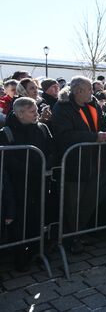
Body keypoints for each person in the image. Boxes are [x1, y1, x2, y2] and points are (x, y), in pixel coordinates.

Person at [50, 76, 106, 253]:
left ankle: (79, 234)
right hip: (74, 164)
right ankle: (70, 240)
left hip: (93, 162)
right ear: (78, 91)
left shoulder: (92, 104)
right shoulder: (62, 107)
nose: (92, 92)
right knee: (72, 205)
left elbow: (100, 124)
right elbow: (64, 136)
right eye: (89, 89)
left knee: (89, 201)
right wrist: (94, 137)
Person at [0, 97, 54, 271]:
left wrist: (46, 166)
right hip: (18, 185)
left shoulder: (42, 128)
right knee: (19, 221)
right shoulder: (6, 132)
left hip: (41, 182)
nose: (37, 114)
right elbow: (7, 159)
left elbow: (53, 149)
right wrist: (30, 170)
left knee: (39, 216)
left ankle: (38, 251)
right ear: (20, 113)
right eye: (32, 111)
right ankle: (19, 257)